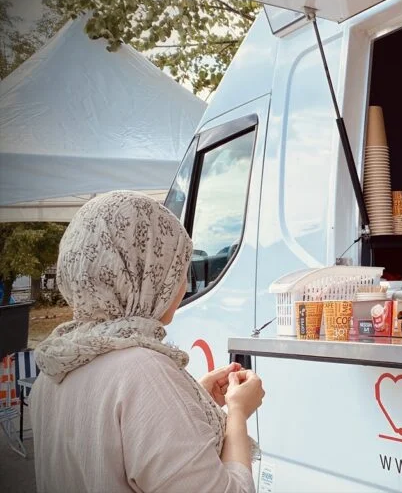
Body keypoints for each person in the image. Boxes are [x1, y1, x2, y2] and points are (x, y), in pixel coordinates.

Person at [31, 191, 265, 493]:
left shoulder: (53, 370)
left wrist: (190, 399)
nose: (182, 284)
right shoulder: (143, 371)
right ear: (144, 274)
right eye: (176, 268)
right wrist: (238, 411)